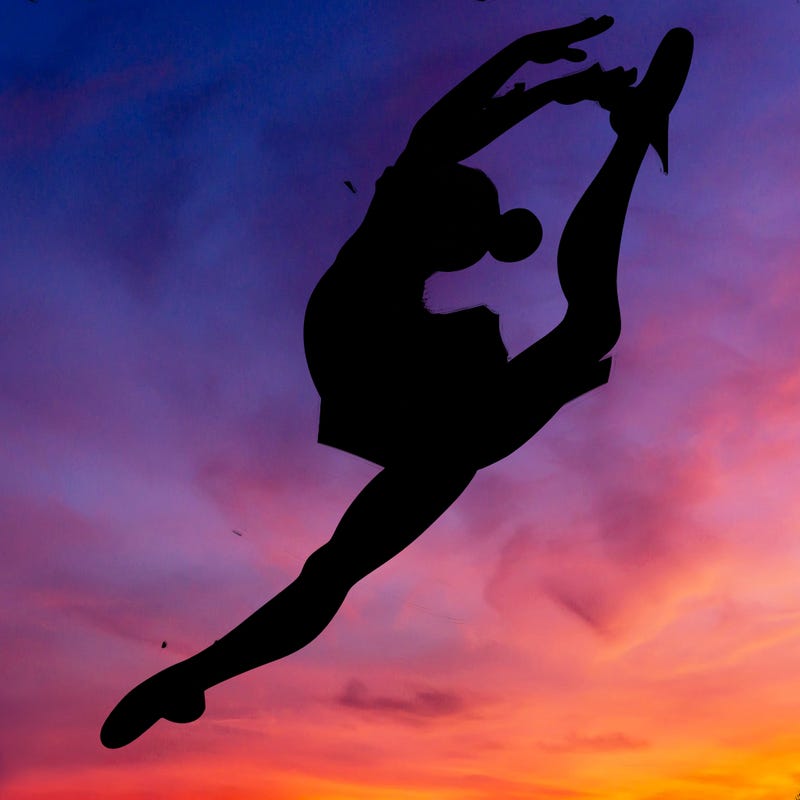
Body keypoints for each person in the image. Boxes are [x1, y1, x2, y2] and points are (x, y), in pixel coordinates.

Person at [101, 17, 693, 748]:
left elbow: (452, 153)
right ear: (441, 208)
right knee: (523, 339)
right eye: (473, 230)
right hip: (368, 361)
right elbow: (446, 127)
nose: (480, 247)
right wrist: (529, 65)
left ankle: (193, 675)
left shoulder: (422, 297)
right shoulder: (398, 215)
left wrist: (559, 86)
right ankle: (631, 141)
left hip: (409, 412)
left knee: (335, 570)